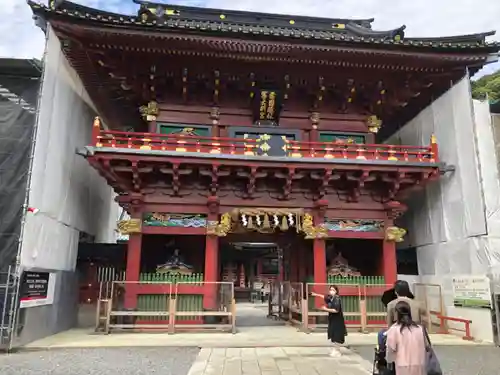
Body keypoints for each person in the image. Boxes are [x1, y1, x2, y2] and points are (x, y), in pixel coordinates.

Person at [378, 280, 427, 350]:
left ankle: (383, 354)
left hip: (398, 333)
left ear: (395, 292)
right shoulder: (417, 304)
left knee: (381, 334)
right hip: (416, 332)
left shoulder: (391, 304)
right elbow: (424, 319)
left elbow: (389, 325)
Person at [386, 301, 427, 375]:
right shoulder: (420, 329)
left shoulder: (394, 330)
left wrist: (389, 361)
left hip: (402, 365)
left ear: (397, 314)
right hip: (419, 364)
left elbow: (390, 350)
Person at [311, 285, 347, 357]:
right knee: (333, 333)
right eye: (330, 289)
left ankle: (337, 351)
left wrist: (325, 309)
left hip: (337, 320)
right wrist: (316, 295)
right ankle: (335, 349)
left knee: (337, 335)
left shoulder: (337, 299)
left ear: (336, 291)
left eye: (333, 290)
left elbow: (336, 310)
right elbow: (324, 296)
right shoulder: (331, 298)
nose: (331, 291)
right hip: (332, 319)